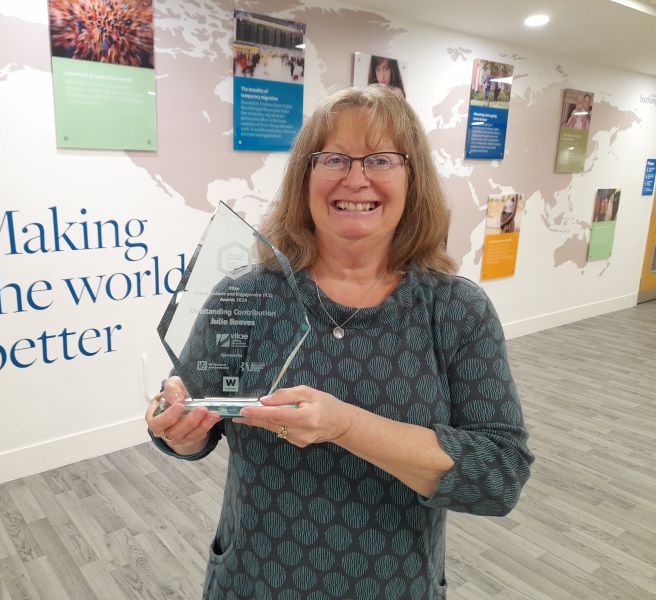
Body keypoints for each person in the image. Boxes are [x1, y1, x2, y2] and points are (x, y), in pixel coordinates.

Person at [146, 86, 533, 600]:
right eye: (333, 158)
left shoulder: (455, 310)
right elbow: (192, 419)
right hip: (254, 580)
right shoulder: (245, 293)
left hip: (394, 586)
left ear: (412, 178)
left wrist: (347, 425)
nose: (356, 178)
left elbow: (499, 477)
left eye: (381, 159)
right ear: (303, 179)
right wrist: (179, 431)